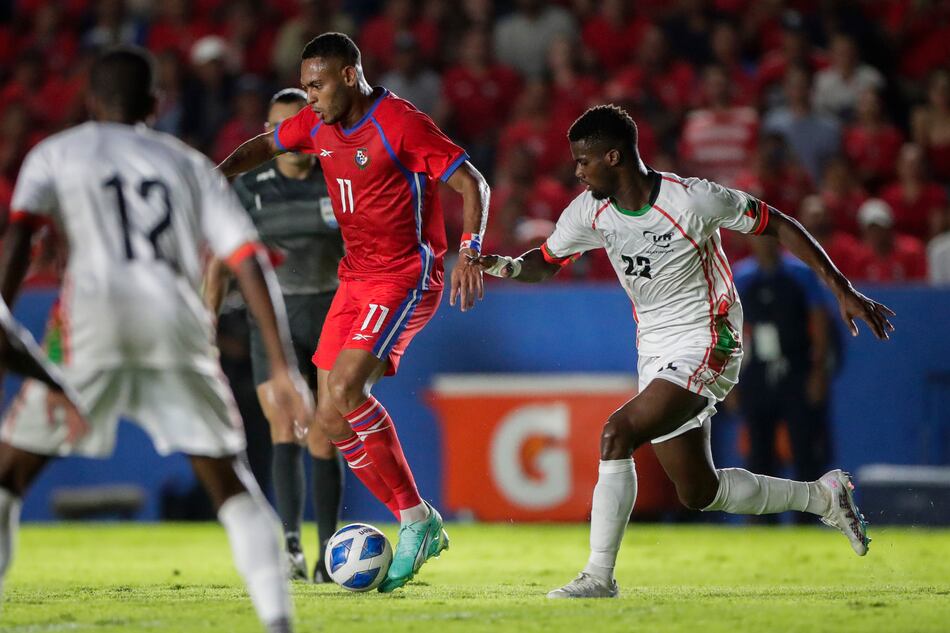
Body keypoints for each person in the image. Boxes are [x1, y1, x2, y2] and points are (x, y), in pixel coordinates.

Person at [475, 105, 894, 599]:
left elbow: (777, 224)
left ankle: (598, 577)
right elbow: (545, 262)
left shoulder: (692, 199)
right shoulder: (590, 210)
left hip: (709, 336)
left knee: (617, 433)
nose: (577, 171)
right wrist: (500, 266)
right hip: (654, 349)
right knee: (699, 491)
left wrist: (840, 287)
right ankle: (823, 497)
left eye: (585, 161)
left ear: (615, 157)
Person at [0, 47, 312, 633]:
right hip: (177, 327)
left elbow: (20, 237)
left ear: (91, 101)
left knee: (8, 476)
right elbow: (248, 262)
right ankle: (277, 620)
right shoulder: (188, 164)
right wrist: (283, 368)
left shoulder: (56, 153)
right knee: (230, 482)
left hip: (91, 324)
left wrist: (2, 312)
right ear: (156, 104)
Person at [218, 32, 489, 593]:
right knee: (331, 416)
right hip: (354, 279)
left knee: (344, 393)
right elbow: (265, 145)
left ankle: (414, 519)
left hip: (404, 278)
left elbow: (471, 182)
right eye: (306, 86)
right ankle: (420, 522)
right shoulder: (316, 126)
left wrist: (472, 249)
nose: (309, 97)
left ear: (349, 76)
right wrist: (215, 175)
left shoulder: (402, 124)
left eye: (316, 85)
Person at [205, 87, 345, 583]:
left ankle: (330, 552)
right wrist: (207, 324)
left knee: (326, 434)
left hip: (332, 313)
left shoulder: (337, 178)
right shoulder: (248, 187)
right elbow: (221, 265)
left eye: (298, 126)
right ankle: (291, 547)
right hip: (276, 322)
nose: (287, 137)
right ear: (266, 131)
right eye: (276, 127)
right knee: (285, 426)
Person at [733, 236, 835, 523]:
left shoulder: (799, 275)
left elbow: (819, 320)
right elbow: (733, 326)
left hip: (796, 368)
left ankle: (808, 518)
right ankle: (762, 519)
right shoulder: (743, 276)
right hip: (757, 370)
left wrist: (818, 371)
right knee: (759, 449)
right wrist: (732, 381)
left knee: (804, 446)